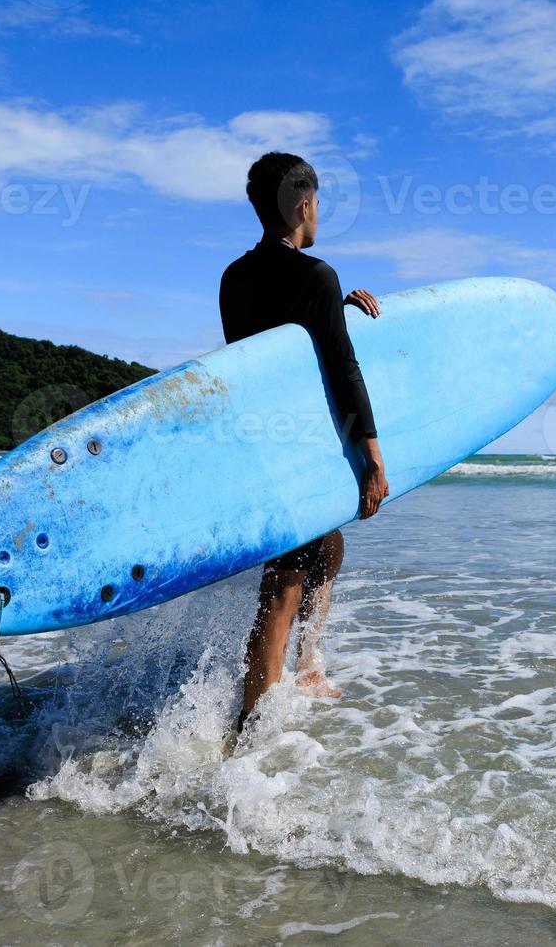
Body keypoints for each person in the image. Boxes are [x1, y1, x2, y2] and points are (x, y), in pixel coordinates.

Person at [219, 152, 390, 732]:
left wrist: (330, 314)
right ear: (302, 205)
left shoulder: (234, 278)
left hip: (261, 444)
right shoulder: (317, 275)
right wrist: (372, 458)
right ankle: (249, 731)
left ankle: (308, 664)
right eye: (317, 203)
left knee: (327, 549)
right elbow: (343, 370)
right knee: (284, 584)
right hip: (302, 448)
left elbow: (265, 352)